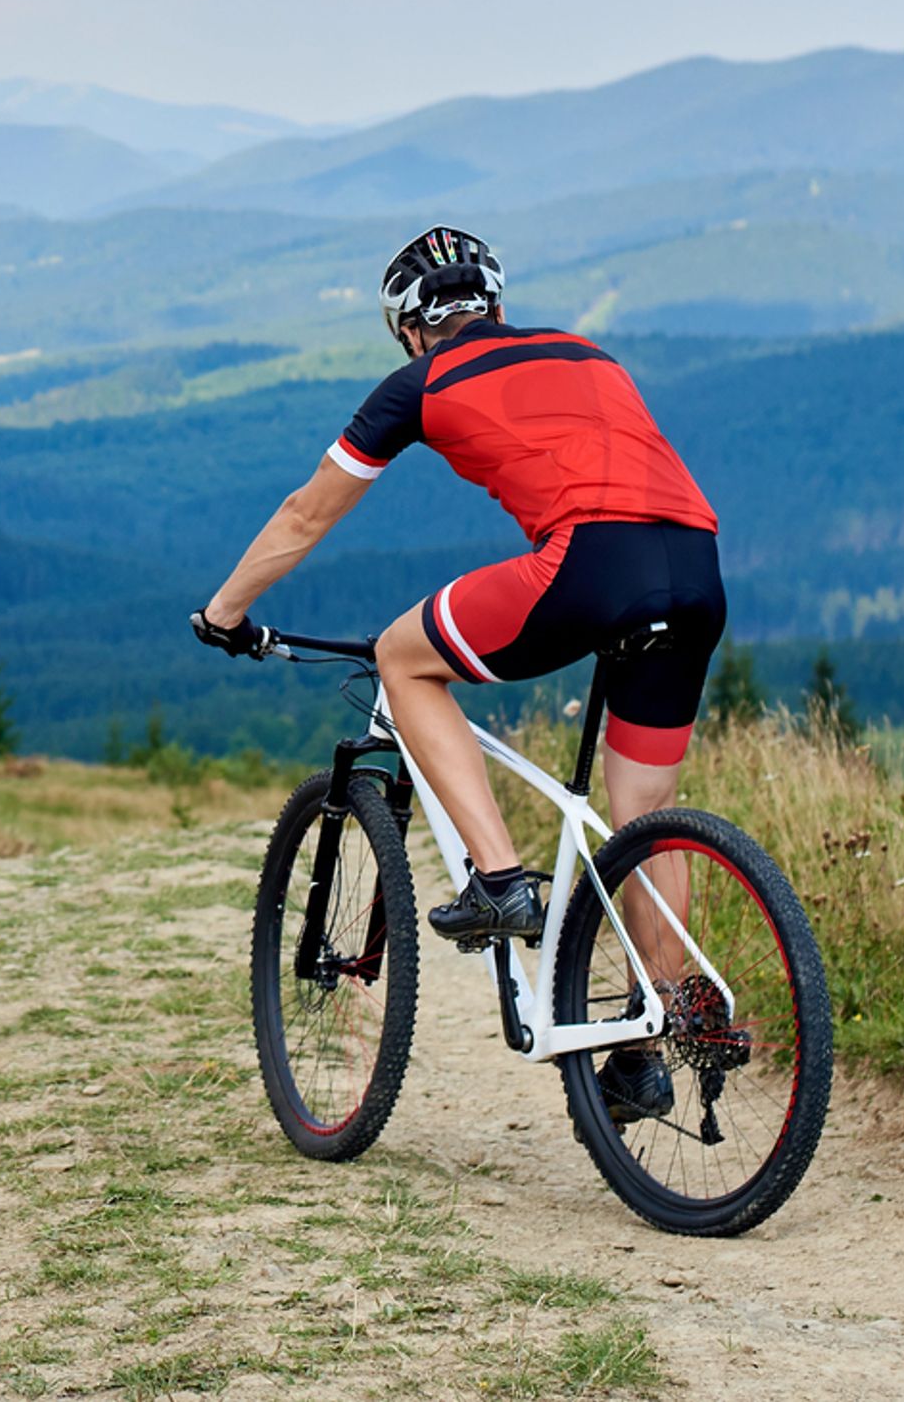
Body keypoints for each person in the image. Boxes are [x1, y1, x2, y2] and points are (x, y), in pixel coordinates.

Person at [190, 225, 726, 1127]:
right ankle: (645, 1038)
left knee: (403, 654)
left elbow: (303, 514)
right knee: (643, 823)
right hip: (698, 565)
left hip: (590, 562)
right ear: (497, 305)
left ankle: (499, 877)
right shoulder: (588, 353)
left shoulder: (420, 382)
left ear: (408, 329)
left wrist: (225, 611)